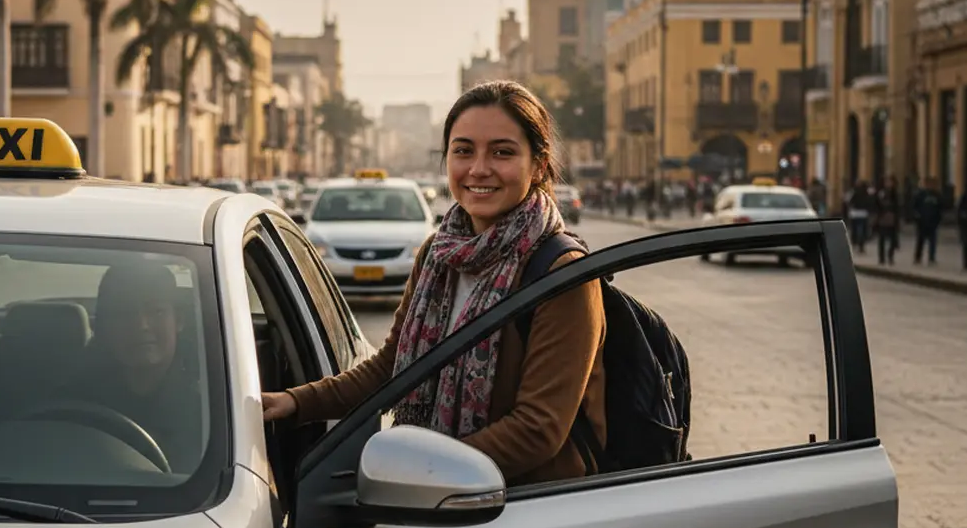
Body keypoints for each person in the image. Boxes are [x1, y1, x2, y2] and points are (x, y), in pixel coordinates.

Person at [262, 80, 607, 486]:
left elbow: (538, 430)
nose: (479, 169)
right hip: (439, 501)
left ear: (539, 164)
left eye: (502, 152)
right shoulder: (438, 254)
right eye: (463, 151)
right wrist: (292, 401)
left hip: (521, 510)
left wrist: (418, 472)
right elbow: (393, 369)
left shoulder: (561, 272)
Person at [65, 261, 201, 472]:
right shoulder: (73, 399)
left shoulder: (213, 401)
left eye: (156, 311)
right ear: (103, 327)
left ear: (179, 320)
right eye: (124, 314)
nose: (141, 325)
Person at [912, 177, 944, 265]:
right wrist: (917, 217)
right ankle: (918, 257)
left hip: (933, 222)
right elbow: (915, 206)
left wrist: (938, 219)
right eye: (928, 184)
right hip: (922, 222)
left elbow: (940, 208)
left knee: (932, 241)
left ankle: (931, 258)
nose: (930, 186)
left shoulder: (937, 195)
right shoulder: (920, 195)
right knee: (920, 241)